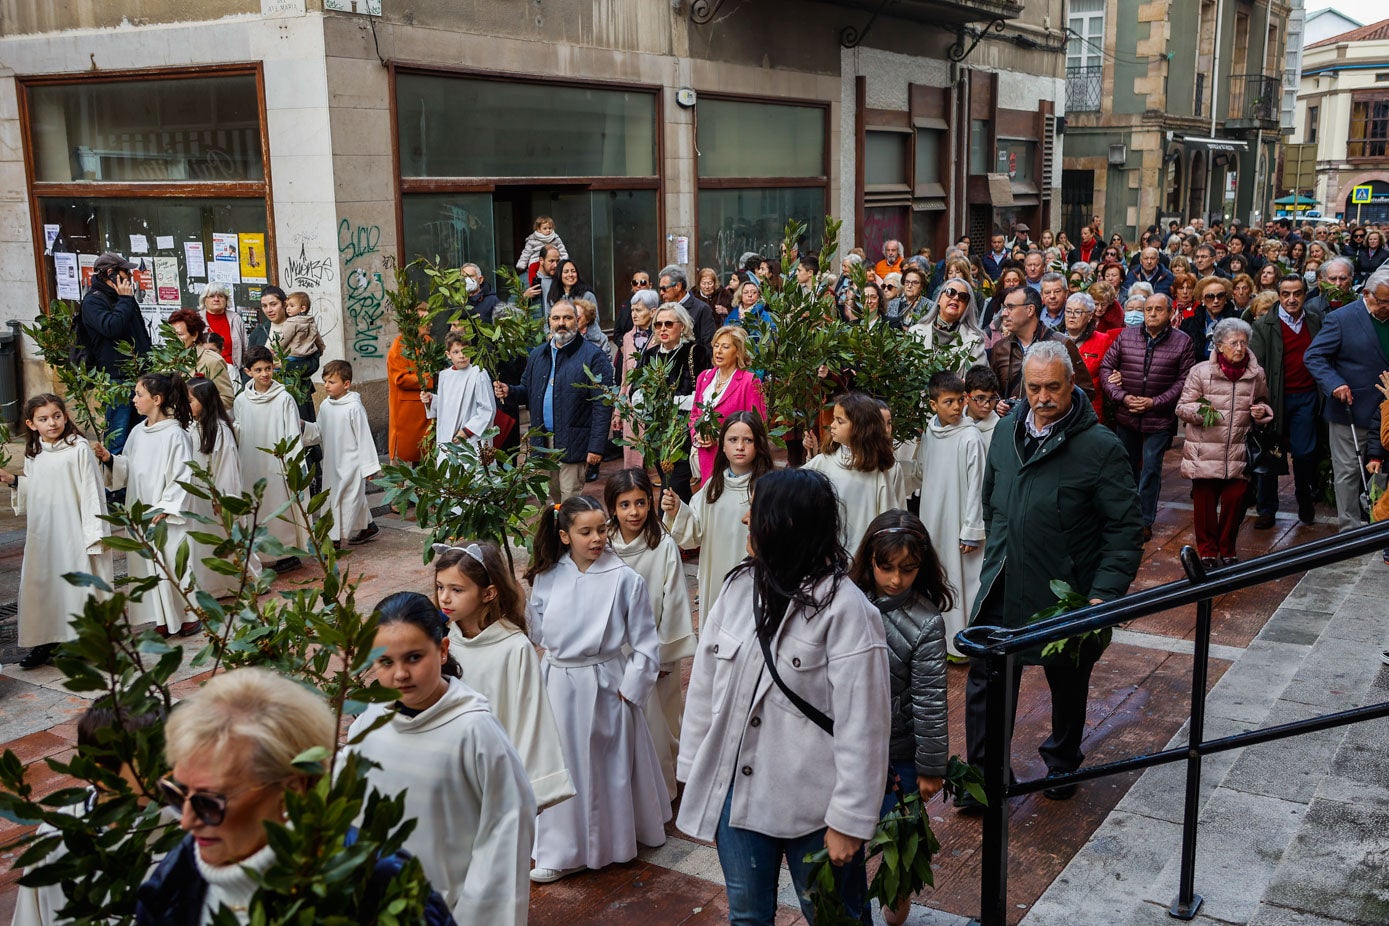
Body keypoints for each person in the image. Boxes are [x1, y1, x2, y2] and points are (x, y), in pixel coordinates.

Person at [676, 468, 891, 925]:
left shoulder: (849, 612)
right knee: (749, 917)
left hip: (815, 808)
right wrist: (697, 774)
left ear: (786, 524)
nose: (744, 521)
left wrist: (850, 820)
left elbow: (865, 726)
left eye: (755, 512)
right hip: (739, 795)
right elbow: (704, 688)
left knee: (836, 919)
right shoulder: (738, 588)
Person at [961, 340, 1142, 808]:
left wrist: (1104, 594)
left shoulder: (1101, 448)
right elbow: (992, 499)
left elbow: (1124, 528)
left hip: (1065, 587)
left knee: (1067, 673)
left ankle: (1062, 762)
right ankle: (983, 776)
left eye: (1053, 388)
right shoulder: (1004, 430)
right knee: (987, 673)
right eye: (1034, 386)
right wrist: (994, 556)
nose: (1042, 397)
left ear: (1071, 385)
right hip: (1003, 577)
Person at [137, 667, 455, 925]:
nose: (187, 823)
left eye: (209, 803)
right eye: (177, 793)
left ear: (294, 788)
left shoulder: (375, 884)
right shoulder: (175, 877)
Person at [351, 592, 537, 926]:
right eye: (385, 662)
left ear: (443, 649)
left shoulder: (475, 730)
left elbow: (506, 833)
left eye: (413, 657)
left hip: (453, 911)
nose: (400, 675)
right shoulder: (367, 725)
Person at [524, 495, 670, 882]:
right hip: (559, 682)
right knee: (563, 763)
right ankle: (558, 849)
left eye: (601, 529)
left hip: (607, 683)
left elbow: (645, 643)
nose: (596, 538)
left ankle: (618, 839)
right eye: (585, 531)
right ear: (564, 535)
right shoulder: (548, 575)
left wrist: (631, 687)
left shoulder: (625, 579)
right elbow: (538, 630)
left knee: (609, 764)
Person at [433, 541, 574, 810]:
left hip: (498, 779)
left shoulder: (514, 647)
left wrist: (531, 791)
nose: (445, 598)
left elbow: (531, 720)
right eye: (440, 587)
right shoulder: (442, 640)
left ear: (488, 593)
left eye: (457, 589)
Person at [0, 394, 111, 669]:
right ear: (31, 423)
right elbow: (37, 489)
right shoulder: (34, 452)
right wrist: (14, 480)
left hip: (72, 531)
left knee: (75, 586)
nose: (52, 423)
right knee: (43, 586)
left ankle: (81, 643)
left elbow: (92, 493)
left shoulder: (78, 449)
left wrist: (94, 534)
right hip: (43, 533)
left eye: (57, 416)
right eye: (44, 419)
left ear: (65, 416)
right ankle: (44, 642)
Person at [605, 468, 697, 795]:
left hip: (655, 653)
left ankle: (663, 789)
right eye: (625, 504)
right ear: (612, 508)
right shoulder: (603, 547)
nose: (634, 512)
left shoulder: (663, 545)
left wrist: (661, 656)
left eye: (641, 503)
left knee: (662, 722)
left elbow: (672, 600)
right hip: (614, 652)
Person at [92, 372, 199, 638]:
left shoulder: (176, 434)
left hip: (165, 515)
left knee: (174, 563)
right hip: (141, 508)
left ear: (157, 399)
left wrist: (166, 507)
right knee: (148, 565)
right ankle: (161, 617)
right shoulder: (138, 432)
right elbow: (127, 468)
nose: (134, 399)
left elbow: (183, 474)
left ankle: (188, 615)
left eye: (139, 394)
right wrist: (109, 459)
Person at [494, 299, 615, 502]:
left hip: (573, 441)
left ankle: (569, 533)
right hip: (542, 442)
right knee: (551, 500)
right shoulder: (537, 355)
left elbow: (602, 405)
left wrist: (596, 447)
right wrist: (510, 392)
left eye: (567, 318)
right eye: (556, 318)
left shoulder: (593, 357)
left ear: (577, 321)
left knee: (570, 501)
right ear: (548, 322)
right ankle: (557, 534)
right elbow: (527, 391)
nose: (561, 323)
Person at [1177, 318, 1274, 566]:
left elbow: (1263, 401)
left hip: (1239, 451)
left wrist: (1262, 412)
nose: (1240, 348)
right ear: (1219, 346)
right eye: (1233, 343)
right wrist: (1202, 412)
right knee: (1205, 506)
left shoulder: (1256, 374)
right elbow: (1182, 407)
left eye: (1243, 342)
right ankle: (1208, 551)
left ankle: (1227, 548)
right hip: (1205, 451)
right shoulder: (1200, 372)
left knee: (1235, 501)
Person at [1100, 294, 1196, 542]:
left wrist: (1155, 402)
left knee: (1151, 466)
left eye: (1158, 310)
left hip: (1159, 417)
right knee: (1126, 467)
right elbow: (1106, 368)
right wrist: (1121, 397)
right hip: (1127, 413)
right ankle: (1126, 516)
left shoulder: (1182, 342)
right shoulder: (1127, 336)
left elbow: (1184, 381)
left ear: (1169, 312)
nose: (1152, 314)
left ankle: (1144, 520)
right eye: (1148, 309)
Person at [662, 410, 774, 618]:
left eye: (747, 440)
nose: (740, 446)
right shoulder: (712, 488)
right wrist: (678, 509)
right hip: (717, 575)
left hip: (755, 576)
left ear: (758, 445)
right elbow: (694, 534)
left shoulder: (768, 488)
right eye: (733, 440)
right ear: (722, 445)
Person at [1304, 264, 1389, 531]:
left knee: (1385, 473)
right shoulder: (1342, 319)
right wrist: (1335, 383)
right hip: (1351, 409)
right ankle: (1350, 530)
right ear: (1367, 294)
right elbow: (1314, 356)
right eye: (1384, 301)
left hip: (1387, 412)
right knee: (1349, 472)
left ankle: (1381, 524)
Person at [917, 371, 986, 659]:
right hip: (933, 516)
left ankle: (961, 642)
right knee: (937, 575)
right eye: (948, 402)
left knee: (961, 580)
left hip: (959, 520)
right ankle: (937, 640)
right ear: (934, 405)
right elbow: (923, 471)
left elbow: (977, 486)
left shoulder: (970, 437)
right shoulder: (930, 432)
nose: (957, 407)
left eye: (960, 400)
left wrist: (971, 528)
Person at [233, 346, 318, 571]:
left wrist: (295, 466)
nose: (264, 374)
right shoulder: (241, 400)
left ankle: (286, 554)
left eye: (268, 368)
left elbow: (292, 433)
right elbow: (240, 431)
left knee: (280, 508)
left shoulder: (284, 399)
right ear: (248, 371)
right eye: (258, 369)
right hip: (251, 463)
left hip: (277, 464)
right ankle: (260, 553)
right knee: (258, 509)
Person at [1249, 274, 1324, 529]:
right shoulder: (1264, 325)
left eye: (1298, 293)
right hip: (1275, 398)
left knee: (1304, 452)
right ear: (1279, 295)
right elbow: (1257, 365)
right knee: (1271, 453)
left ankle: (1304, 496)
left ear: (1305, 294)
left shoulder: (1315, 321)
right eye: (1286, 294)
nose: (1291, 299)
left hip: (1305, 396)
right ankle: (1267, 509)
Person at [804, 391, 907, 555]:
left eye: (839, 421)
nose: (832, 425)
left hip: (863, 558)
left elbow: (889, 520)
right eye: (833, 419)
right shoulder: (823, 462)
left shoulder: (879, 474)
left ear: (860, 428)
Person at [186, 379, 256, 599]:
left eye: (191, 400)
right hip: (200, 496)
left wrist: (223, 499)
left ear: (205, 402)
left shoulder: (221, 430)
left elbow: (227, 469)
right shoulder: (192, 427)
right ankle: (214, 585)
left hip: (217, 496)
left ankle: (241, 581)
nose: (187, 404)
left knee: (228, 538)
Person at [635, 303, 710, 502]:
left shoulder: (695, 352)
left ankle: (669, 526)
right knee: (669, 481)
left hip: (683, 430)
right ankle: (683, 523)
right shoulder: (649, 355)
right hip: (657, 431)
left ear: (682, 326)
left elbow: (703, 394)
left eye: (668, 324)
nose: (662, 329)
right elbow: (636, 392)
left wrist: (670, 402)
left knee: (674, 484)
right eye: (658, 325)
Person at [80, 252, 151, 453]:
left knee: (140, 436)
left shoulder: (123, 298)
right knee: (118, 439)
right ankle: (114, 484)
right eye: (125, 271)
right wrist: (125, 300)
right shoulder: (93, 302)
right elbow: (111, 327)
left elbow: (140, 334)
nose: (129, 276)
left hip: (139, 377)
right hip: (116, 380)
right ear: (111, 273)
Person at [988, 286, 1094, 409]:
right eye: (1004, 308)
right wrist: (998, 404)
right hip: (1014, 424)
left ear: (1030, 310)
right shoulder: (1000, 348)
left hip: (1053, 424)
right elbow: (991, 390)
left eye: (1010, 307)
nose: (1004, 313)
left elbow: (1086, 391)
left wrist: (1055, 408)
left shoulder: (1062, 344)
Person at [689, 325, 766, 488]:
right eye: (716, 346)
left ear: (738, 351)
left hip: (735, 460)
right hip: (706, 456)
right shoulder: (705, 377)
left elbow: (757, 425)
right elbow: (695, 415)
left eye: (725, 347)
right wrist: (698, 435)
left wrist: (719, 438)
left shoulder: (749, 381)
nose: (718, 351)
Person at [317, 360, 380, 546]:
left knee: (343, 499)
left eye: (331, 382)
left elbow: (364, 437)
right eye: (325, 381)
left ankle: (333, 539)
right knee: (340, 497)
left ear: (346, 384)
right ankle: (369, 526)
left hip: (351, 463)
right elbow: (319, 431)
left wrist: (369, 467)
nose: (327, 385)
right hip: (331, 461)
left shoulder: (354, 407)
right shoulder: (325, 406)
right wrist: (303, 427)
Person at [423, 331, 496, 465]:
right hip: (448, 437)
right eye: (456, 352)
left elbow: (487, 409)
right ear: (448, 354)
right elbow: (447, 405)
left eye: (465, 351)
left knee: (474, 473)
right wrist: (431, 400)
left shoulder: (478, 373)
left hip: (472, 437)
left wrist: (466, 432)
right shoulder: (445, 376)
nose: (462, 356)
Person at [616, 288, 658, 469]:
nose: (634, 314)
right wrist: (618, 410)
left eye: (639, 310)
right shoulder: (627, 338)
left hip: (655, 402)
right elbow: (625, 377)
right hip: (632, 405)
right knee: (632, 457)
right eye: (632, 310)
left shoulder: (661, 335)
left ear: (653, 311)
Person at [386, 305, 433, 464]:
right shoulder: (399, 345)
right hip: (407, 414)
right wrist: (430, 379)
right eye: (424, 319)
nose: (430, 323)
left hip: (425, 408)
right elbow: (400, 378)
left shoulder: (428, 341)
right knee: (405, 459)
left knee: (426, 456)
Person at [909, 278, 988, 371]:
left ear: (966, 307)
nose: (956, 298)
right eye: (951, 292)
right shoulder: (915, 331)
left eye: (963, 296)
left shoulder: (974, 341)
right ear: (939, 299)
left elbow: (979, 381)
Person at [1062, 292, 1117, 424]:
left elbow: (1113, 369)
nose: (1072, 316)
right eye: (1068, 311)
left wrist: (1117, 375)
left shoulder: (1103, 340)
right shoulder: (1055, 338)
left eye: (1078, 312)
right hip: (1061, 406)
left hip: (1092, 408)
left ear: (1090, 315)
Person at [167, 308, 234, 407]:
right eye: (171, 335)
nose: (175, 339)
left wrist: (198, 406)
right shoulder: (167, 360)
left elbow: (227, 399)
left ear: (194, 335)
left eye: (180, 334)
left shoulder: (212, 361)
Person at [658, 265, 717, 349]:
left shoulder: (702, 309)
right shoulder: (661, 308)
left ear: (678, 286)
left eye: (664, 289)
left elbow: (709, 345)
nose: (661, 292)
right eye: (660, 289)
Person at [1181, 276, 1236, 362]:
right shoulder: (1188, 324)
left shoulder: (1237, 321)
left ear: (1225, 299)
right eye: (1210, 297)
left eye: (1220, 296)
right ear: (1202, 299)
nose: (1216, 301)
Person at [199, 282, 248, 371]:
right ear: (204, 300)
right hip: (205, 372)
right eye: (212, 296)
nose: (216, 299)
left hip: (233, 372)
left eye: (220, 296)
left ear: (226, 300)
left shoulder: (236, 319)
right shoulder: (197, 320)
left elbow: (246, 348)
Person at [516, 214, 568, 282]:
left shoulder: (555, 238)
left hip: (553, 261)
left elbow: (562, 250)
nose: (548, 230)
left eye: (550, 228)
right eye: (545, 228)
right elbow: (526, 253)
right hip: (536, 260)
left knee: (559, 270)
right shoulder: (532, 239)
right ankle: (534, 285)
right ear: (538, 229)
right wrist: (522, 264)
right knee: (532, 268)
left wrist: (565, 261)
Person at [964, 364, 1002, 451]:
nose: (987, 405)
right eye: (980, 398)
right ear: (966, 396)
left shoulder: (999, 431)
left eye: (992, 398)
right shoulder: (955, 422)